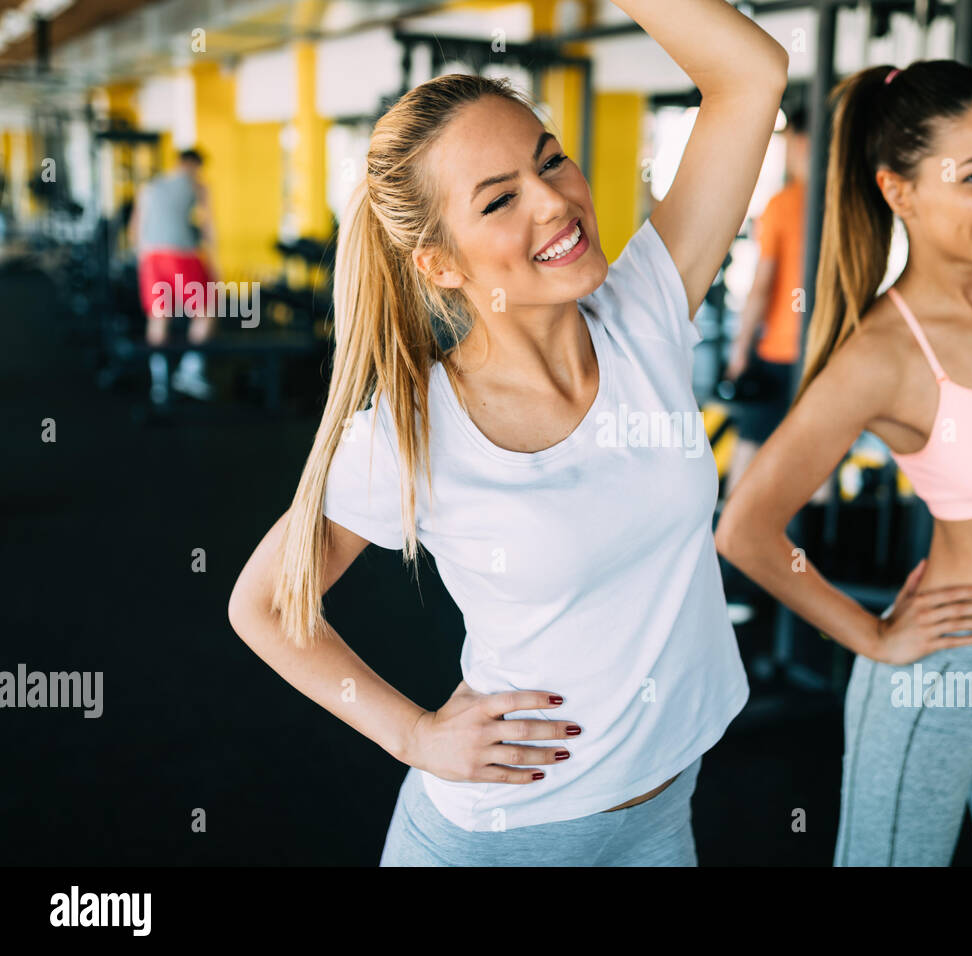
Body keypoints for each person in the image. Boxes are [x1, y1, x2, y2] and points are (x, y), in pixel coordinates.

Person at [228, 0, 789, 866]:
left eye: (551, 159)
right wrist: (413, 735)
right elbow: (264, 606)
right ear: (440, 264)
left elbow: (751, 73)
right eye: (500, 200)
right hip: (499, 837)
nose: (557, 202)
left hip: (665, 808)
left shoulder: (645, 309)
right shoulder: (411, 435)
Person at [716, 0, 972, 866]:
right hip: (944, 677)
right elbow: (745, 528)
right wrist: (872, 634)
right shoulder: (886, 356)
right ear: (898, 189)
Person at [723, 105, 808, 500]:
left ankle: (728, 545)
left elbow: (762, 286)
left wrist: (740, 351)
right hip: (826, 352)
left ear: (801, 141)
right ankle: (812, 551)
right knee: (814, 455)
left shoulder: (784, 204)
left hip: (779, 352)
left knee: (751, 444)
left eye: (789, 139)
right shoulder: (847, 204)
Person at [130, 147, 217, 403]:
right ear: (194, 165)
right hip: (181, 255)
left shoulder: (149, 187)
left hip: (151, 258)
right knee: (207, 309)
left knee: (159, 315)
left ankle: (159, 384)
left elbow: (135, 229)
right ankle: (189, 372)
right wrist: (214, 266)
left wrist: (143, 261)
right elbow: (208, 227)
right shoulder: (197, 185)